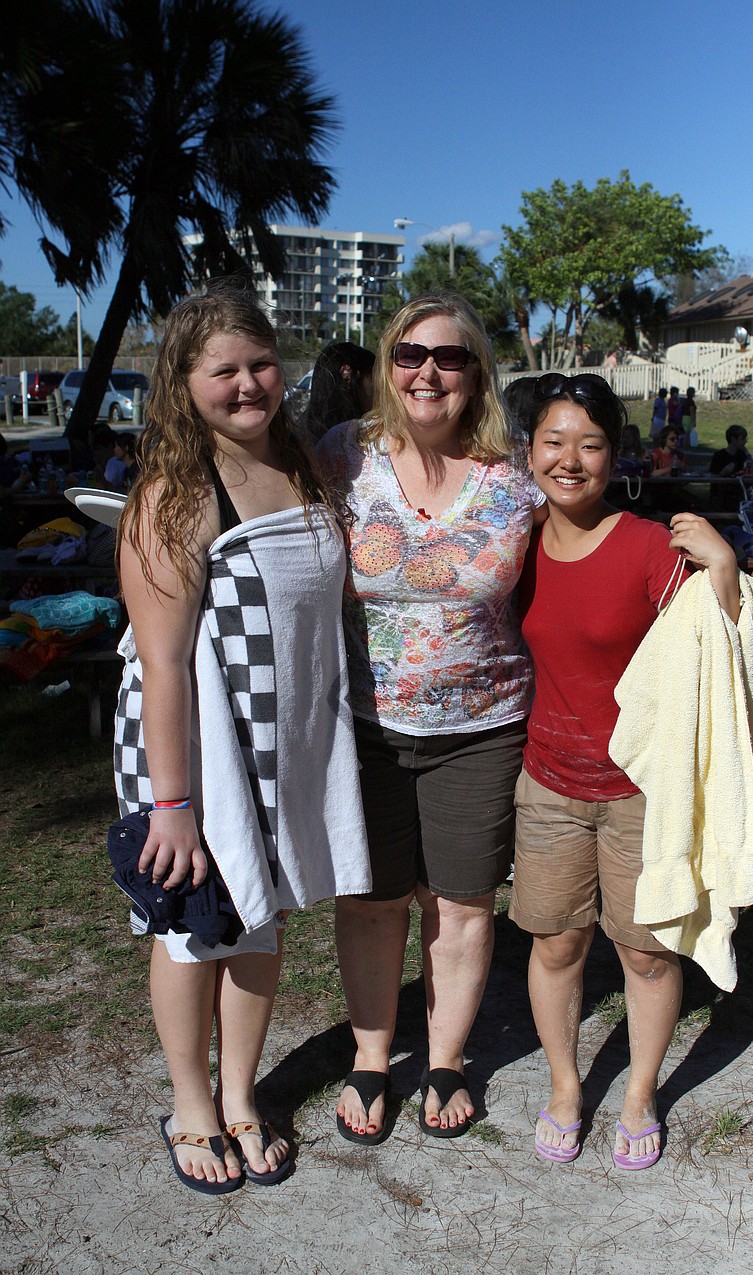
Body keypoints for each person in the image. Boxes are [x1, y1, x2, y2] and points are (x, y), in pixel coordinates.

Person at [113, 286, 371, 1194]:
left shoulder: (300, 464)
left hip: (283, 748)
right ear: (184, 384)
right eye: (222, 370)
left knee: (259, 922)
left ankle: (239, 1099)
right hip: (197, 756)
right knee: (191, 930)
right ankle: (189, 1104)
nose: (247, 384)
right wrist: (174, 808)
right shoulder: (174, 497)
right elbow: (167, 667)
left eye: (260, 364)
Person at [316, 293, 543, 1143]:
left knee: (462, 902)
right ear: (388, 364)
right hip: (365, 726)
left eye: (449, 358)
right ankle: (372, 1056)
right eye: (411, 354)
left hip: (482, 726)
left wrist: (696, 555)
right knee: (373, 901)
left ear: (476, 373)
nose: (428, 372)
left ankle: (445, 1056)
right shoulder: (342, 456)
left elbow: (586, 528)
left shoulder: (516, 470)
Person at [509, 372, 740, 1170]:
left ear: (616, 456)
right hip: (547, 784)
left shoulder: (648, 545)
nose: (570, 459)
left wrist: (724, 568)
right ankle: (567, 1085)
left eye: (591, 443)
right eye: (554, 440)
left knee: (646, 951)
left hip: (642, 789)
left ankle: (639, 1093)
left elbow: (724, 649)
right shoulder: (513, 539)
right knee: (556, 944)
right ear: (529, 451)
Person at [299, 341, 375, 443]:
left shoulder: (298, 433)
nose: (379, 390)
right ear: (349, 375)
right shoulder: (361, 442)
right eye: (374, 379)